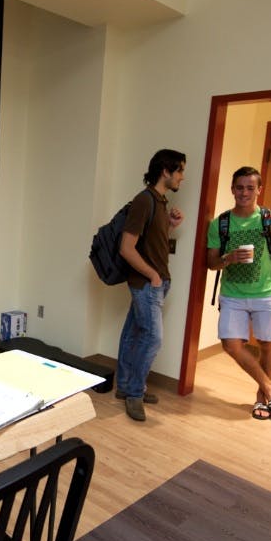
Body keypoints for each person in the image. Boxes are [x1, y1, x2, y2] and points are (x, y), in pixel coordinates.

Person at [206, 166, 271, 421]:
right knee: (231, 345)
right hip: (232, 294)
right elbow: (211, 263)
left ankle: (262, 399)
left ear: (259, 190)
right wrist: (228, 258)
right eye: (239, 187)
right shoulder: (220, 223)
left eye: (250, 188)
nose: (244, 193)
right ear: (232, 189)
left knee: (267, 345)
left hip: (266, 294)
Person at [115, 149, 186, 421]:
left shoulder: (160, 201)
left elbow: (150, 242)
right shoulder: (144, 200)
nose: (182, 176)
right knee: (152, 338)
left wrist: (170, 225)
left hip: (155, 283)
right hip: (146, 284)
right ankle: (134, 393)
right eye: (179, 170)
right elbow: (126, 248)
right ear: (165, 171)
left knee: (133, 333)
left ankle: (125, 387)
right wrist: (152, 275)